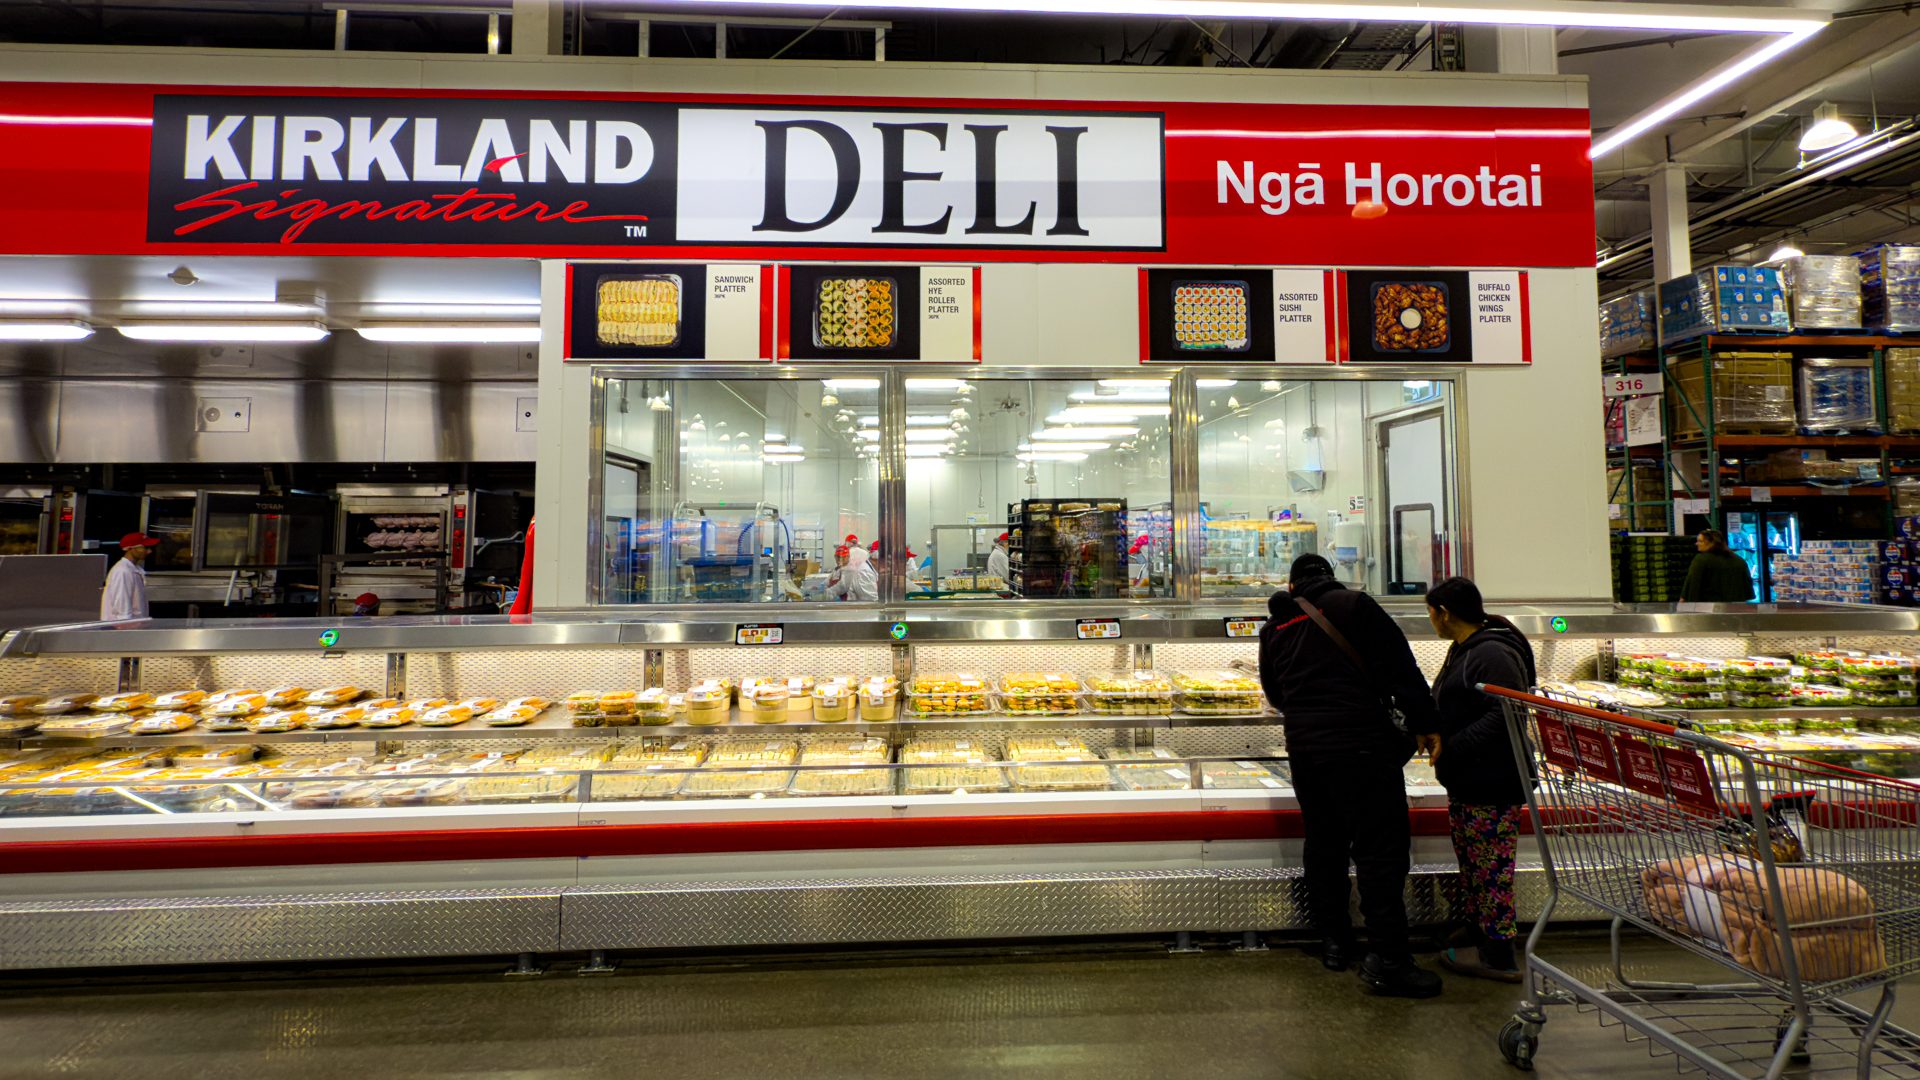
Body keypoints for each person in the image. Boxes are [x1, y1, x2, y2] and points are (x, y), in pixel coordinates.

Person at [1260, 553, 1444, 998]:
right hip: (1362, 745)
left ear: (1293, 585)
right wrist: (1427, 721)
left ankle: (1334, 942)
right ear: (1331, 577)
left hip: (1304, 749)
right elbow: (1402, 669)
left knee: (1324, 843)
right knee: (1380, 850)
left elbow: (1274, 691)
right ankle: (1389, 959)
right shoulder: (1356, 606)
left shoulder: (1276, 626)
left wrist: (1309, 717)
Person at [1422, 576, 1536, 983]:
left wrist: (1454, 745)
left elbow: (1508, 714)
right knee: (1474, 863)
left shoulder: (1492, 652)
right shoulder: (1465, 649)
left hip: (1493, 778)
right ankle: (1478, 930)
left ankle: (1499, 953)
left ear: (1445, 613)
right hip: (1469, 778)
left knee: (1491, 869)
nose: (1430, 620)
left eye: (1431, 612)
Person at [1680, 528, 1755, 602]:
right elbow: (1747, 589)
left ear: (1711, 542)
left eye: (1700, 541)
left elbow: (1692, 585)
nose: (1696, 544)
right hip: (1734, 608)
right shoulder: (1739, 560)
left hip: (1708, 608)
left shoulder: (1701, 560)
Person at [100, 531, 160, 621]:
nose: (149, 551)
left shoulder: (134, 569)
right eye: (145, 547)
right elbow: (122, 606)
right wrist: (126, 627)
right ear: (131, 548)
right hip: (120, 628)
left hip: (132, 627)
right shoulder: (122, 571)